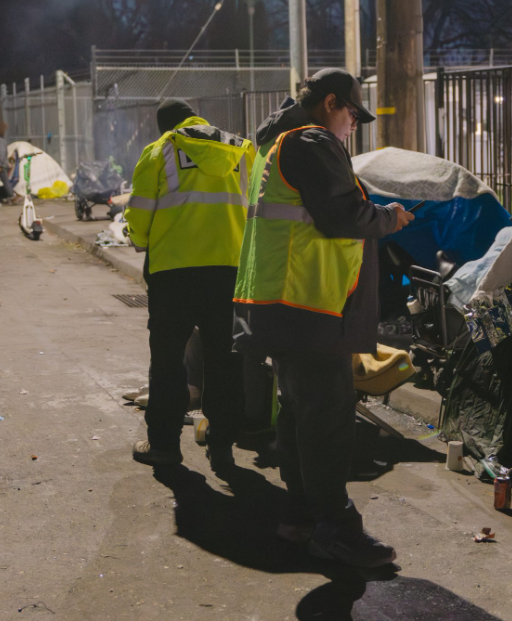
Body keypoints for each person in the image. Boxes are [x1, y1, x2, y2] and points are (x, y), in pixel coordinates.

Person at [232, 68, 414, 568]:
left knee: (298, 413)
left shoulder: (279, 144)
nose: (354, 125)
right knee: (329, 419)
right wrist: (388, 218)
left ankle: (299, 514)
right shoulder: (312, 142)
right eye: (353, 113)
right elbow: (342, 217)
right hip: (310, 306)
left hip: (284, 305)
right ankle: (336, 528)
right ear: (332, 103)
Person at [125, 99, 255, 472]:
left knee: (167, 361)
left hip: (173, 273)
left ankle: (164, 445)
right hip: (230, 269)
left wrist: (139, 238)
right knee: (226, 361)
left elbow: (139, 213)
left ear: (164, 126)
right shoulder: (241, 149)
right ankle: (223, 446)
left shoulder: (161, 149)